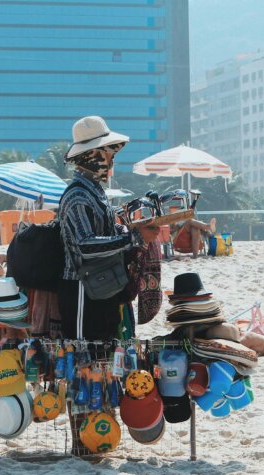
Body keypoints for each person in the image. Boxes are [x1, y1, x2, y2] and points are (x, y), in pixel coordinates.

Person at [58, 115, 160, 340]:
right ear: (92, 156)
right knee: (85, 357)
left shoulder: (94, 191)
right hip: (82, 289)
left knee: (106, 356)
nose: (112, 160)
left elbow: (106, 236)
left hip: (102, 286)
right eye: (108, 154)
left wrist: (130, 231)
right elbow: (86, 245)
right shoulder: (77, 195)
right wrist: (133, 237)